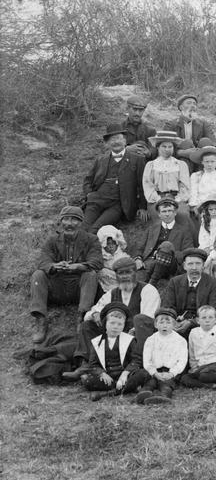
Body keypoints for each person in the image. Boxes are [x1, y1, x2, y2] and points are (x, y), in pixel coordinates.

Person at [28, 205, 102, 342]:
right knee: (38, 274)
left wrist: (78, 266)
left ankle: (82, 317)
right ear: (61, 222)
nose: (69, 224)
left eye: (74, 220)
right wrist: (54, 266)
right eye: (66, 219)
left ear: (81, 223)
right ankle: (41, 320)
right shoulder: (52, 240)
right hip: (57, 288)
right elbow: (43, 261)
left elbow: (97, 262)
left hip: (79, 290)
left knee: (91, 274)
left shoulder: (92, 240)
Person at [75, 302, 148, 402]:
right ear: (105, 323)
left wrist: (125, 373)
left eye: (119, 324)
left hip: (125, 374)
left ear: (123, 326)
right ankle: (129, 388)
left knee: (143, 373)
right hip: (108, 376)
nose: (115, 327)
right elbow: (93, 364)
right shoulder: (97, 342)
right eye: (112, 323)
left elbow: (136, 360)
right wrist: (102, 374)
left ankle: (108, 393)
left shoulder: (129, 340)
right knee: (86, 379)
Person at [81, 124, 147, 233]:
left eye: (118, 138)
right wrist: (89, 194)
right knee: (83, 227)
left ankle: (89, 247)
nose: (116, 142)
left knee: (96, 229)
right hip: (96, 200)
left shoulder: (137, 160)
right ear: (107, 143)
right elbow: (88, 180)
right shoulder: (101, 160)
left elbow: (142, 184)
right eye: (112, 139)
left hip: (118, 204)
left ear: (125, 141)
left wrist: (143, 207)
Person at [160, 247, 216, 336]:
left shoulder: (213, 283)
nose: (194, 268)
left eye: (198, 264)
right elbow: (167, 307)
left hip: (202, 326)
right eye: (190, 264)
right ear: (184, 266)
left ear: (203, 265)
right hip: (177, 325)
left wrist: (192, 322)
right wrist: (173, 320)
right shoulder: (175, 282)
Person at [133, 198, 197, 285]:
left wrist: (169, 253)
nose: (167, 214)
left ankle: (152, 283)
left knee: (166, 246)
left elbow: (187, 253)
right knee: (136, 280)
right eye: (164, 211)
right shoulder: (152, 228)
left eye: (170, 211)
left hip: (170, 266)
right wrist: (138, 258)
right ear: (159, 214)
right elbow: (140, 246)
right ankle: (147, 284)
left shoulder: (184, 231)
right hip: (149, 263)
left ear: (175, 213)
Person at [135, 307, 188, 404]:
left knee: (166, 384)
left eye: (168, 323)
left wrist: (172, 373)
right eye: (161, 323)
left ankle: (163, 397)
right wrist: (154, 373)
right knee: (150, 383)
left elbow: (182, 361)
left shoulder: (180, 340)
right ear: (155, 324)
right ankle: (143, 395)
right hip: (155, 370)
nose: (165, 326)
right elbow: (147, 360)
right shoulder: (151, 340)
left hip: (171, 371)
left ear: (174, 324)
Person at [141, 131, 191, 220]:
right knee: (162, 216)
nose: (167, 149)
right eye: (164, 146)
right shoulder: (151, 165)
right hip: (157, 198)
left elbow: (185, 186)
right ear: (158, 147)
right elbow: (148, 186)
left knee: (182, 215)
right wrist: (158, 199)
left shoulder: (180, 164)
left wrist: (177, 199)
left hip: (176, 198)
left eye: (170, 147)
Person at [187, 142, 216, 214]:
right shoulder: (196, 176)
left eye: (212, 161)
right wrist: (195, 206)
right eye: (206, 161)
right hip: (202, 206)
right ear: (202, 162)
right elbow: (193, 193)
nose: (209, 164)